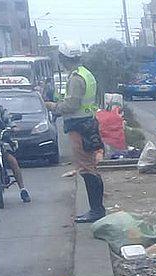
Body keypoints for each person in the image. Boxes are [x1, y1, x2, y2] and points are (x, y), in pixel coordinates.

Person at [48, 50, 106, 223]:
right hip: (88, 123)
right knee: (91, 167)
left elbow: (72, 104)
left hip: (79, 126)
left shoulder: (76, 78)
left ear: (64, 59)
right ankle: (97, 209)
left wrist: (53, 107)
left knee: (86, 168)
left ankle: (96, 210)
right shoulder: (86, 74)